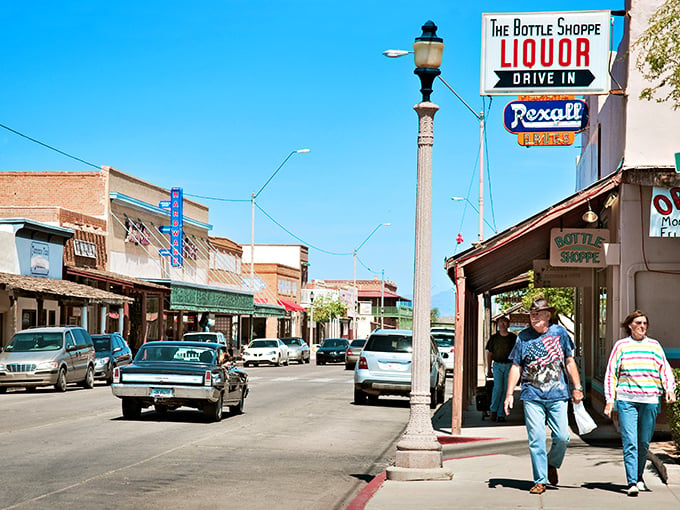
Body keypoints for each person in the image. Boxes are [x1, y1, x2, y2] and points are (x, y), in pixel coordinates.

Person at [504, 297, 583, 495]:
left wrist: (577, 387)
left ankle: (551, 463)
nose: (534, 317)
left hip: (558, 394)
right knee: (537, 438)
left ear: (548, 315)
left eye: (538, 314)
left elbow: (569, 360)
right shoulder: (523, 337)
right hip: (532, 395)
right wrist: (509, 394)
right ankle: (540, 480)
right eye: (532, 314)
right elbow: (516, 365)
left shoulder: (559, 333)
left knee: (563, 437)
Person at [604, 310, 677, 497]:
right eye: (638, 323)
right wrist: (610, 400)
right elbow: (611, 373)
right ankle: (632, 482)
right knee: (630, 441)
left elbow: (665, 369)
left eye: (645, 323)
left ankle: (638, 476)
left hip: (650, 400)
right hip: (627, 399)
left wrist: (669, 389)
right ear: (630, 325)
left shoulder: (654, 346)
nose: (642, 326)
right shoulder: (621, 346)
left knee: (644, 442)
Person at [485, 316, 517, 422]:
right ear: (498, 324)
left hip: (509, 365)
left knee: (506, 389)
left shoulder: (513, 338)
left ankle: (501, 413)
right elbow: (490, 353)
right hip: (497, 365)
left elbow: (517, 354)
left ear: (508, 325)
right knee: (497, 388)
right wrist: (489, 368)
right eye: (500, 323)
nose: (502, 325)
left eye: (505, 323)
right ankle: (493, 410)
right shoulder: (494, 338)